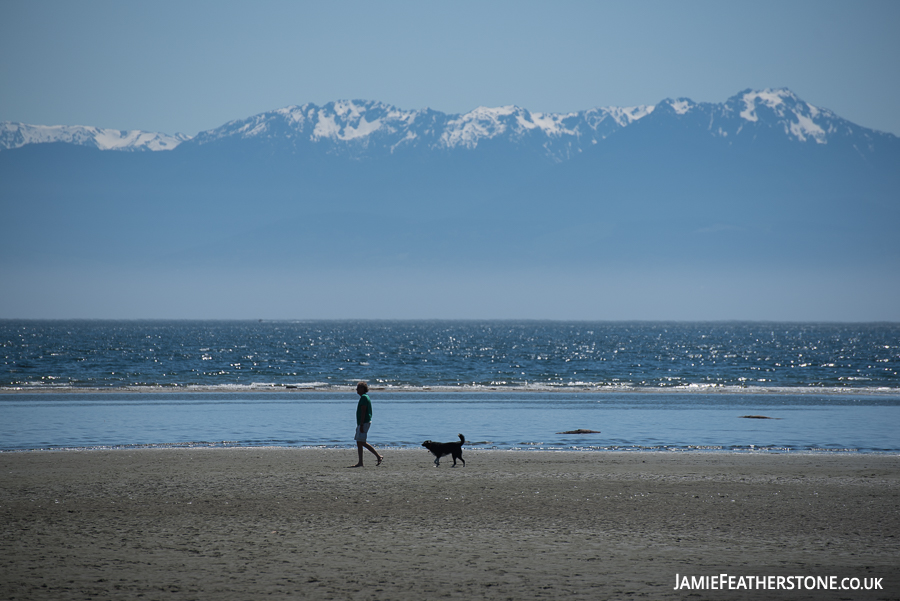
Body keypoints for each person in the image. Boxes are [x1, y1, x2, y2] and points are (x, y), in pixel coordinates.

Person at [352, 381, 383, 467]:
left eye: (358, 388)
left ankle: (378, 456)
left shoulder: (364, 398)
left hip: (364, 422)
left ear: (362, 388)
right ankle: (360, 462)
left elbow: (363, 411)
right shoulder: (364, 397)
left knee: (362, 442)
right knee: (359, 442)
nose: (356, 390)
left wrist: (361, 424)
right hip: (362, 422)